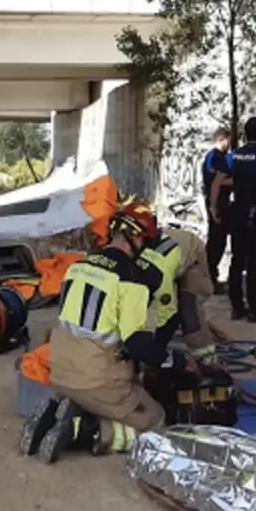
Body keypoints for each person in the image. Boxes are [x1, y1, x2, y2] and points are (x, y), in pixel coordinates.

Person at [22, 202, 199, 464]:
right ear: (137, 238)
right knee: (157, 422)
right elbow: (139, 345)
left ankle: (68, 409)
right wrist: (179, 361)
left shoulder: (78, 267)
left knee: (112, 388)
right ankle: (86, 432)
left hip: (60, 371)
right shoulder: (131, 279)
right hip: (96, 379)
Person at [208, 116, 256, 323]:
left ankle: (237, 307)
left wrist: (213, 206)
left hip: (237, 214)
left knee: (236, 260)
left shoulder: (233, 157)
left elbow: (217, 184)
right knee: (254, 263)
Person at [137, 220, 221, 365]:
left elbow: (169, 315)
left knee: (189, 309)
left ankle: (207, 361)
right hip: (170, 258)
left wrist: (156, 354)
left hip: (192, 256)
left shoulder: (158, 274)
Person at [201, 128, 234, 294]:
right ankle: (210, 278)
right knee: (216, 242)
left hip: (221, 203)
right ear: (222, 140)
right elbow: (216, 184)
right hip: (217, 203)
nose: (230, 144)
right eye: (229, 140)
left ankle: (212, 277)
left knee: (219, 241)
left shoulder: (220, 158)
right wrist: (213, 208)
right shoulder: (214, 158)